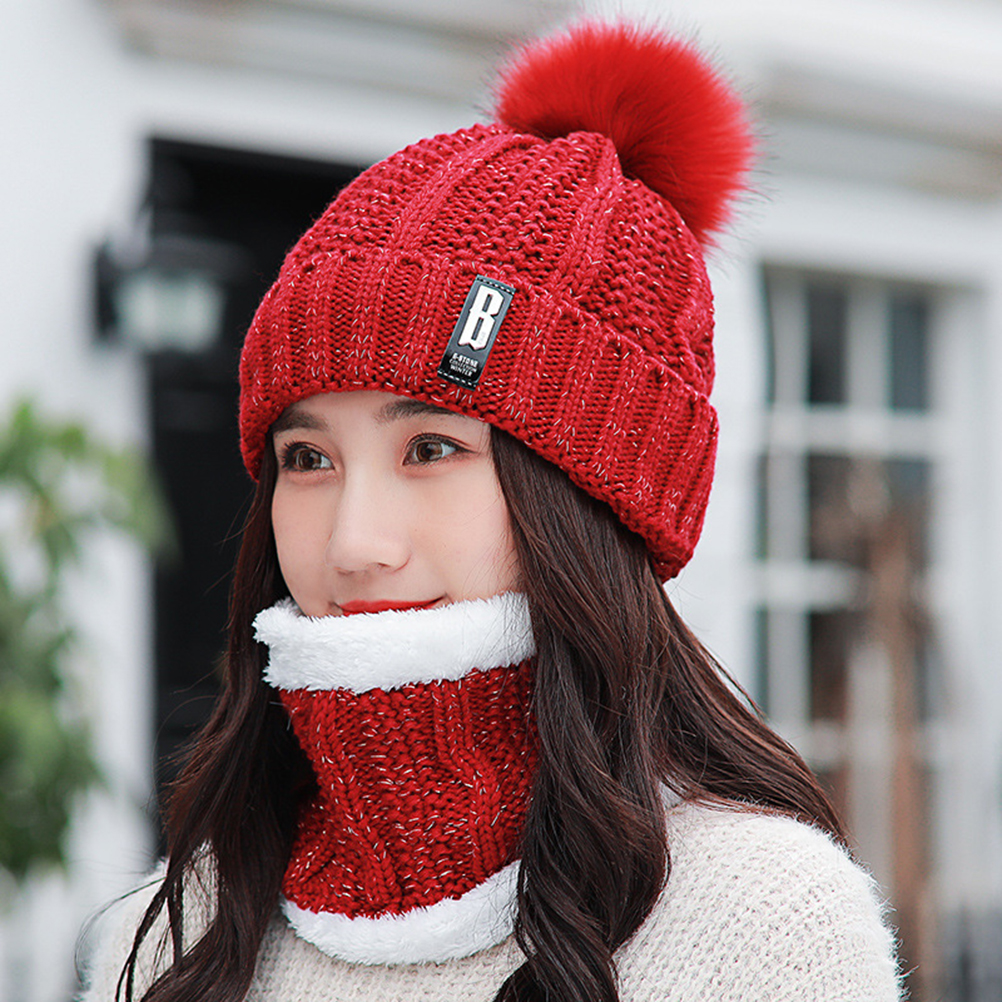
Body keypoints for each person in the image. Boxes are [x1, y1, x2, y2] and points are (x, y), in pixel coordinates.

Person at [81, 19, 902, 1002]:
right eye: (308, 459)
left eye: (432, 449)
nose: (353, 543)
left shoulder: (764, 923)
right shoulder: (172, 934)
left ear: (591, 504)